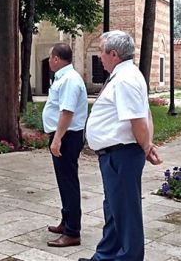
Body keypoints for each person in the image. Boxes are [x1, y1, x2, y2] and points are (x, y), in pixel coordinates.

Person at [78, 31, 162, 261]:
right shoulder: (123, 76)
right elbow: (144, 114)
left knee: (125, 212)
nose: (100, 56)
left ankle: (129, 257)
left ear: (113, 54)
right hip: (115, 154)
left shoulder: (125, 79)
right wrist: (146, 144)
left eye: (101, 51)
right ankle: (105, 256)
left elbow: (137, 119)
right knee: (114, 209)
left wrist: (146, 146)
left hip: (121, 154)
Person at [42, 43, 88, 248]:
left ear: (56, 58)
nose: (50, 59)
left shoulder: (69, 80)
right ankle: (66, 220)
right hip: (64, 135)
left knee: (68, 182)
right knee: (64, 181)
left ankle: (72, 232)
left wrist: (57, 138)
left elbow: (67, 112)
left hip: (67, 137)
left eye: (51, 56)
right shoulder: (64, 77)